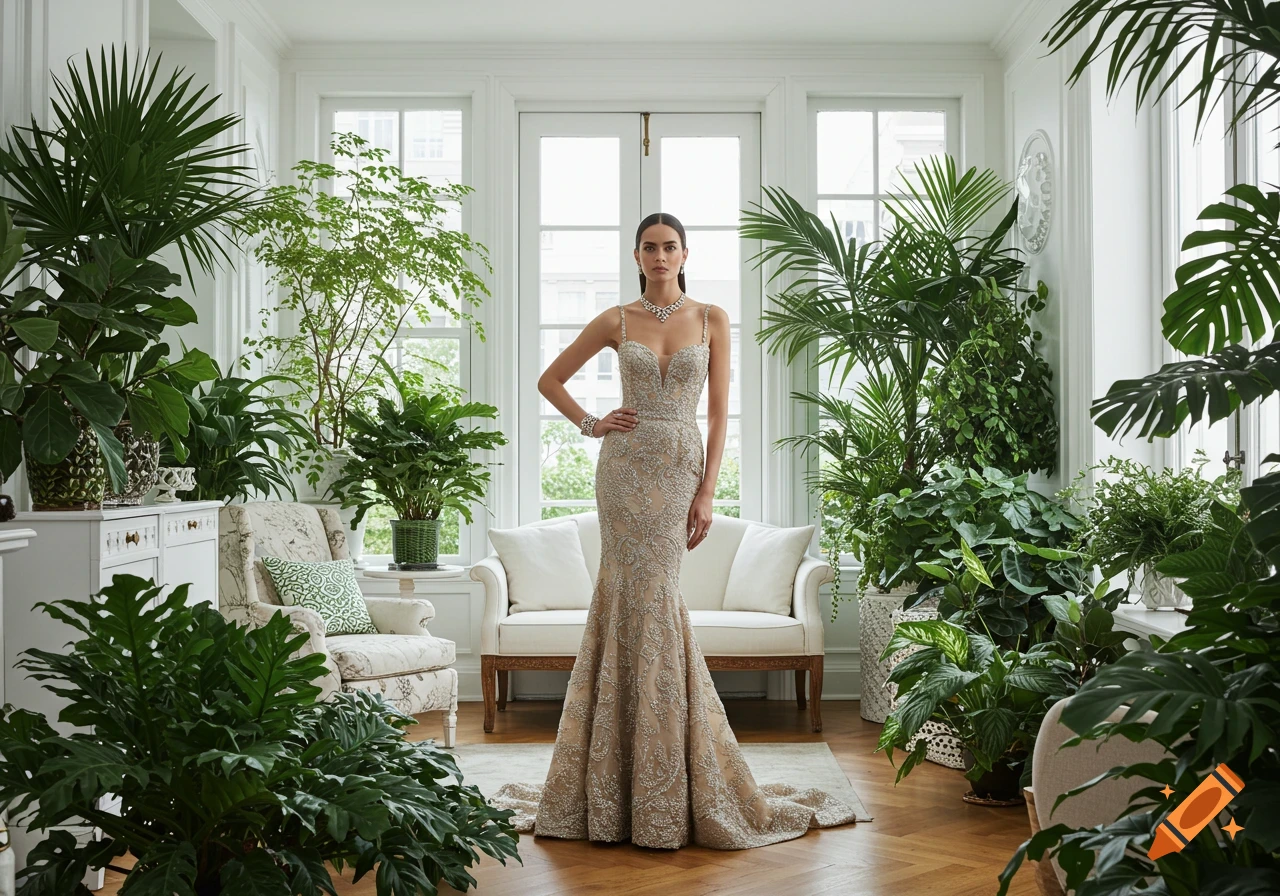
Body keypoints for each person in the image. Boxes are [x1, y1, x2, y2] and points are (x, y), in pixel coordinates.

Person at [488, 213, 858, 850]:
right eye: (650, 247)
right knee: (623, 596)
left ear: (686, 252)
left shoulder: (713, 318)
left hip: (680, 466)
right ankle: (615, 772)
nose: (660, 256)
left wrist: (708, 490)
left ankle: (666, 769)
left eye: (670, 247)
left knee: (657, 597)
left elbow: (718, 416)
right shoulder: (617, 320)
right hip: (624, 471)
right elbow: (550, 380)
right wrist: (590, 422)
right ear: (636, 254)